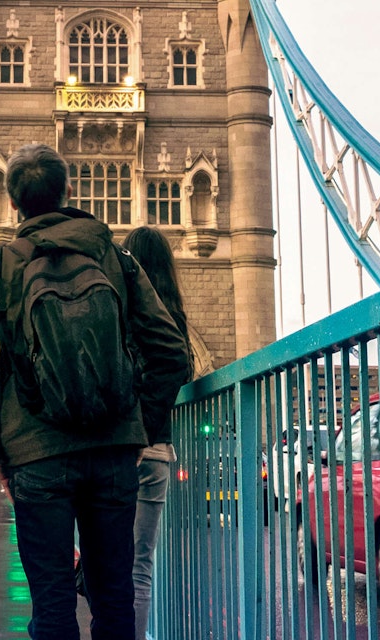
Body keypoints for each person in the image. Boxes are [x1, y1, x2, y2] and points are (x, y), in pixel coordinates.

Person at [0, 143, 192, 640]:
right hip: (114, 451)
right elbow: (171, 352)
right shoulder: (116, 259)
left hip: (34, 456)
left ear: (13, 203)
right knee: (114, 597)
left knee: (53, 603)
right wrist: (137, 423)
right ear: (69, 191)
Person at [118, 226, 212, 639]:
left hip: (112, 447)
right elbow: (179, 368)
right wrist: (147, 430)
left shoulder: (116, 307)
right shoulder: (172, 315)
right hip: (154, 450)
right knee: (140, 566)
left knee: (104, 562)